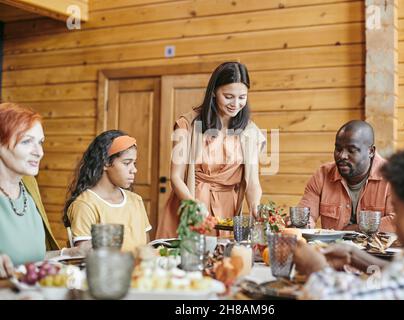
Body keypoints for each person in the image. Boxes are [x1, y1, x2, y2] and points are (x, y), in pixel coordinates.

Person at [294, 135, 404, 299]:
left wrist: (316, 269)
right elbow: (400, 275)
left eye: (397, 210)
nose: (394, 220)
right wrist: (353, 255)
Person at [156, 62, 266, 239]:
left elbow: (252, 181)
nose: (236, 104)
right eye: (228, 96)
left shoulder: (250, 131)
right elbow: (176, 176)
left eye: (242, 97)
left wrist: (255, 205)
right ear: (214, 92)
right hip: (191, 202)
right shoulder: (188, 125)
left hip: (227, 209)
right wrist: (194, 206)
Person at [0, 103, 90, 278]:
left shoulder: (29, 186)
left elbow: (33, 260)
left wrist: (71, 253)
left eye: (40, 142)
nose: (39, 152)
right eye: (26, 141)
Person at [63, 130, 152, 253]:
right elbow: (84, 256)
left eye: (134, 163)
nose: (134, 170)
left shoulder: (136, 200)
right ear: (105, 163)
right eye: (127, 163)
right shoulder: (85, 205)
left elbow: (146, 248)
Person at [299, 120, 395, 232]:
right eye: (338, 149)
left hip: (378, 249)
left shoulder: (393, 176)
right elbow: (306, 215)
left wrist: (355, 229)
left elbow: (399, 222)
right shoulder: (322, 175)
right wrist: (300, 224)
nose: (342, 156)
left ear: (371, 151)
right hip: (334, 248)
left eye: (351, 150)